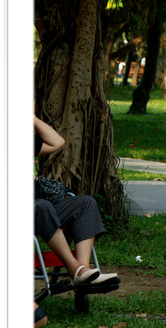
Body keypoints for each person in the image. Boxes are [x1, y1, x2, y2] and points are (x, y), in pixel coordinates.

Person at [34, 116, 117, 286]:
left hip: (40, 211)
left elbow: (57, 142)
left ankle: (83, 273)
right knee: (43, 206)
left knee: (86, 203)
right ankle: (75, 269)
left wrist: (31, 117)